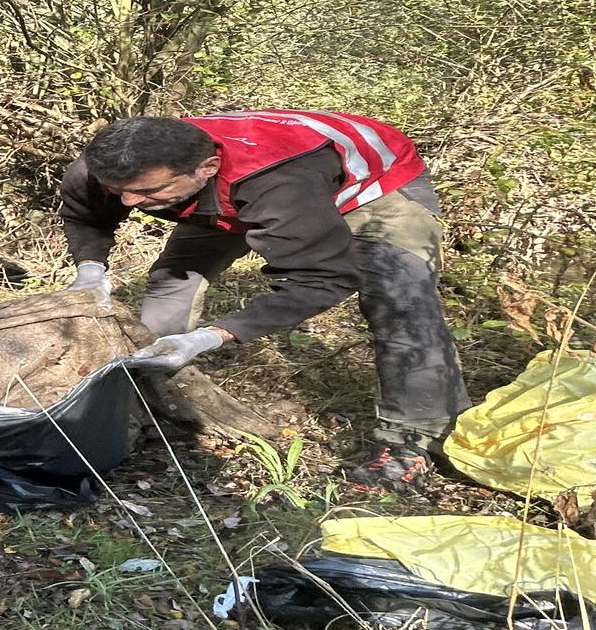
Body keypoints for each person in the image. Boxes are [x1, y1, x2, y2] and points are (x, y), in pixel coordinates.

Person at [59, 110, 468, 487]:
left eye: (145, 192)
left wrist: (213, 336)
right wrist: (91, 270)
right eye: (119, 192)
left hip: (371, 190)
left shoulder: (279, 184)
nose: (129, 203)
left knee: (401, 304)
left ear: (207, 167)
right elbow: (86, 213)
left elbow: (321, 278)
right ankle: (149, 398)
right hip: (230, 192)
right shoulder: (109, 167)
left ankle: (413, 439)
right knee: (171, 282)